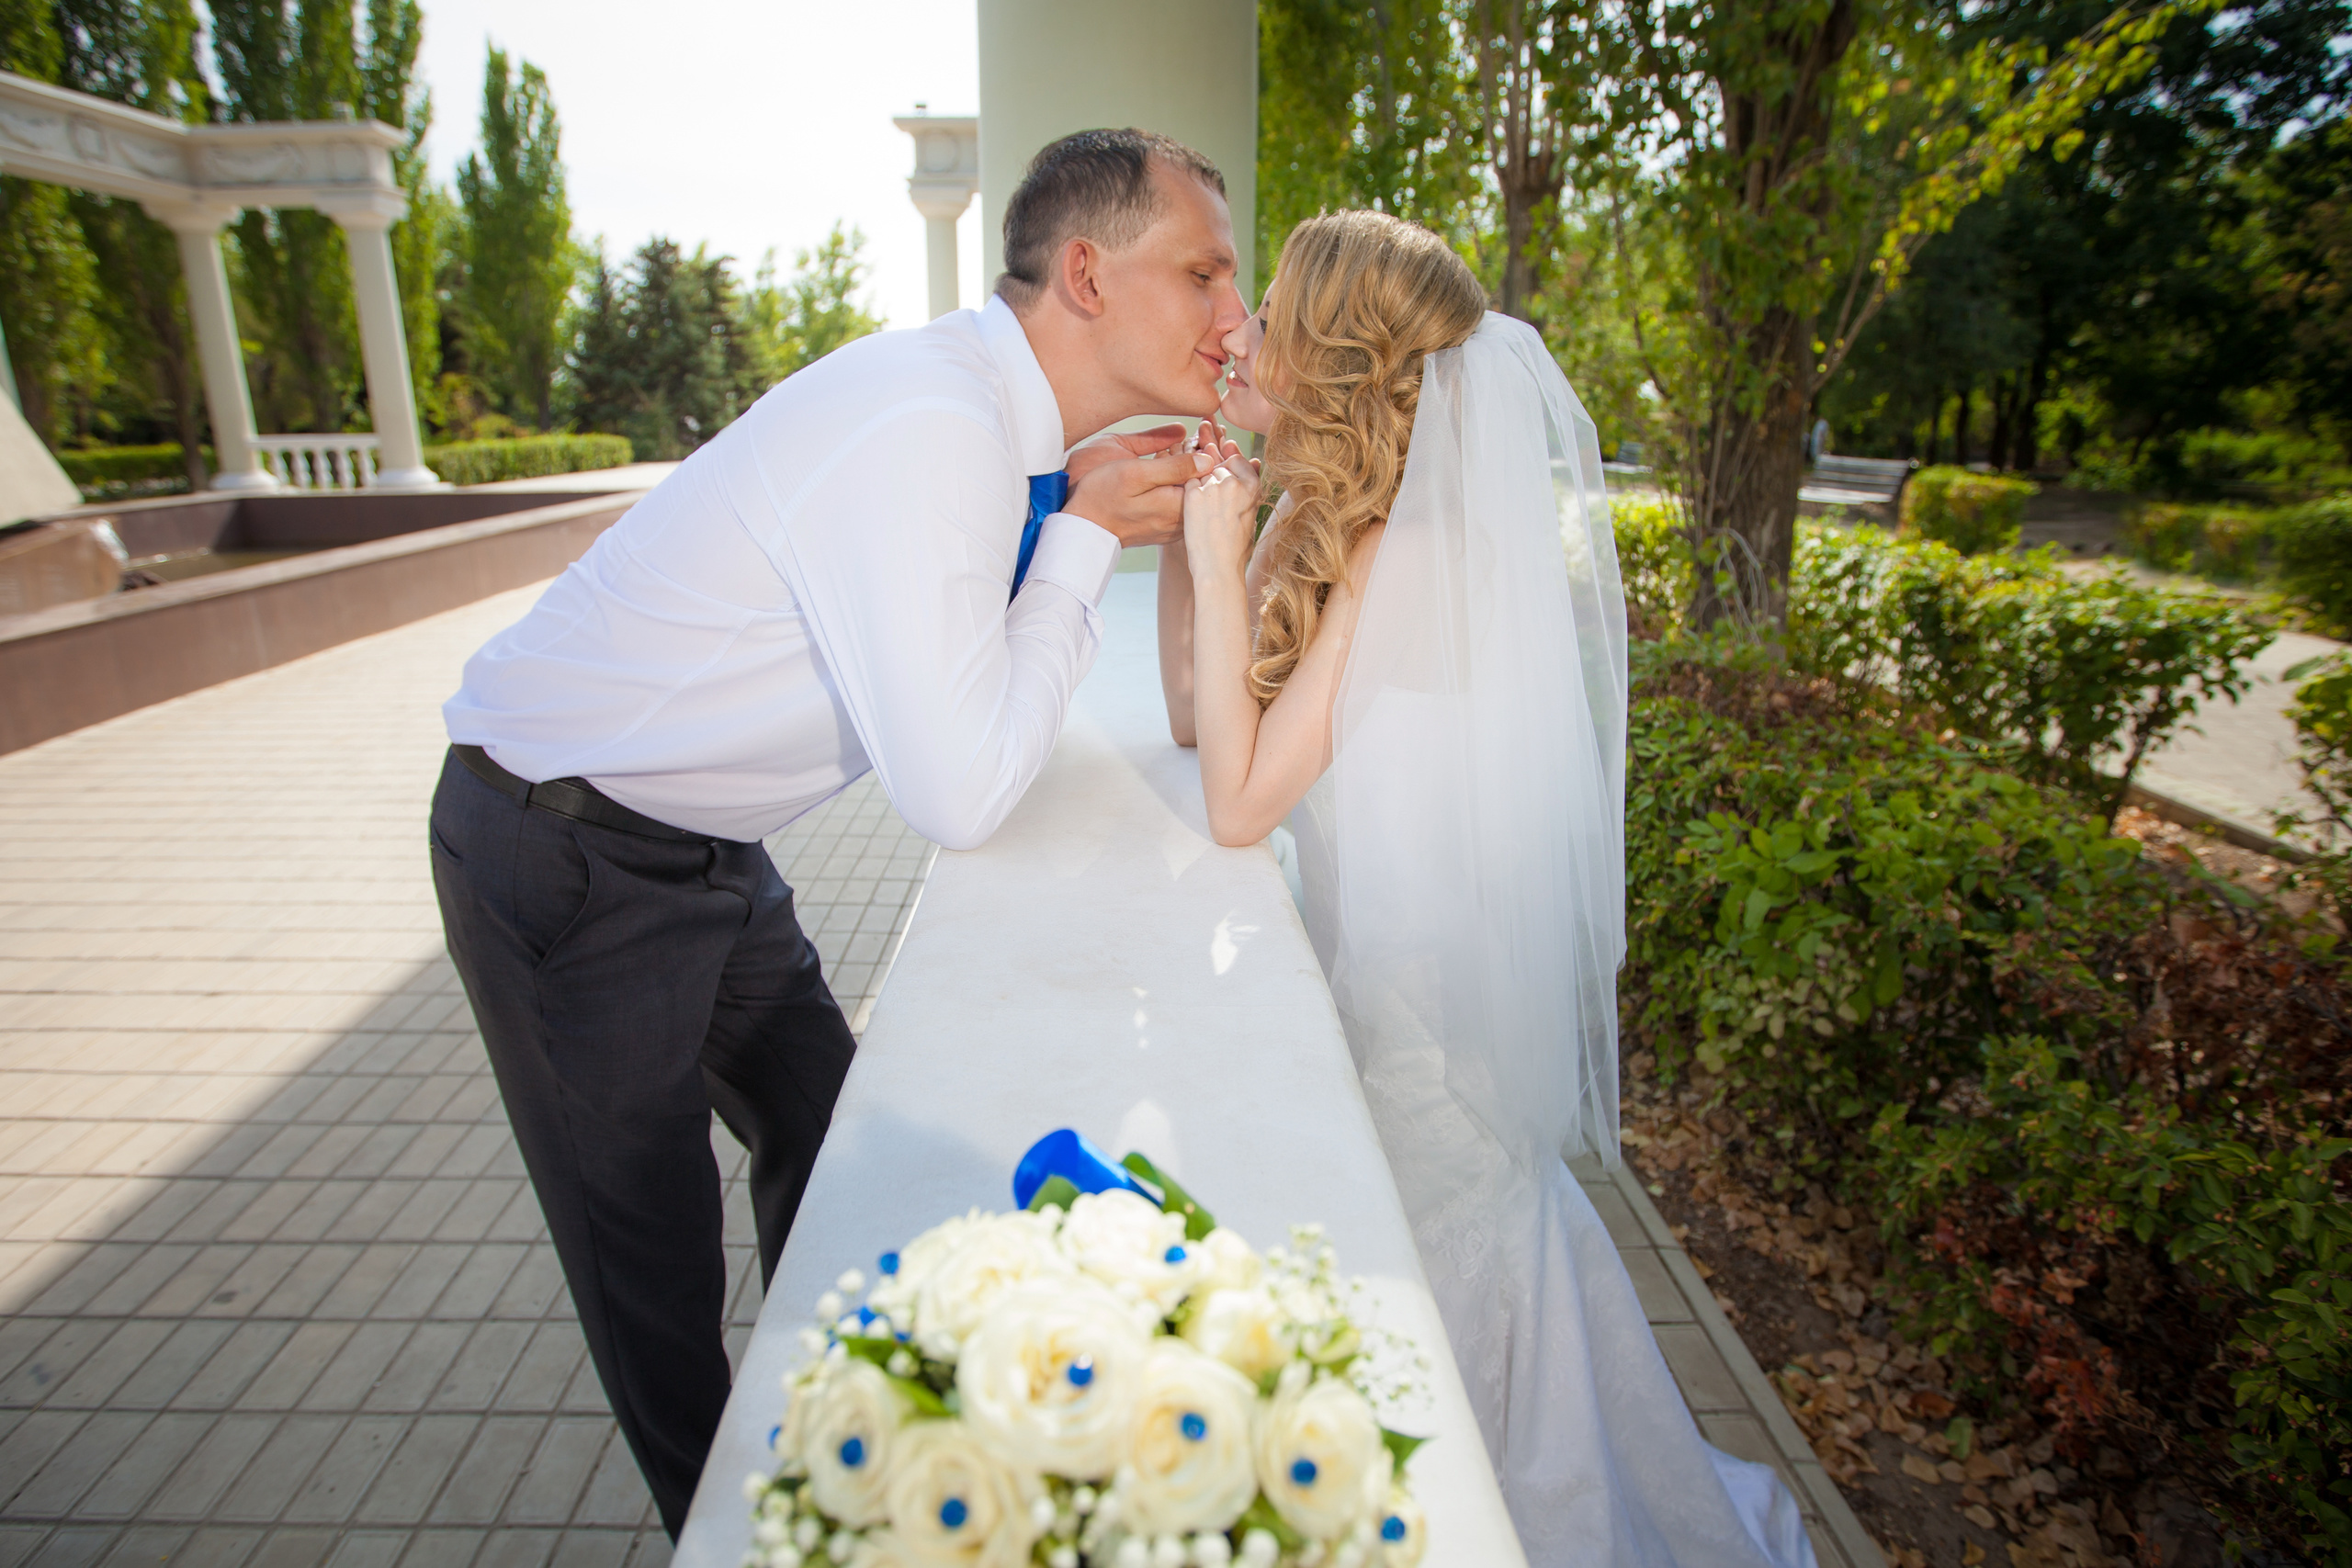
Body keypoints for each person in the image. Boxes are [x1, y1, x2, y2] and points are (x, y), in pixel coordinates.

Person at [429, 128, 1250, 1537]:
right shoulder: (935, 426)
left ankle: (864, 1442)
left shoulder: (993, 428)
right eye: (1207, 272)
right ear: (1090, 275)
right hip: (563, 848)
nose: (1235, 318)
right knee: (654, 1272)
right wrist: (1086, 538)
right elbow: (961, 788)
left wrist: (1083, 507)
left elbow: (958, 665)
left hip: (705, 855)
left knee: (832, 1137)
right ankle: (728, 1531)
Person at [1159, 210, 1816, 1568]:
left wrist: (1220, 558)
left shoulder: (1409, 552)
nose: (1246, 335)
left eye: (1270, 313)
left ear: (1336, 361)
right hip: (1380, 992)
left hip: (1422, 1035)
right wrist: (1205, 535)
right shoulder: (1335, 523)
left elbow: (1236, 804)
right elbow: (1193, 712)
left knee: (1434, 1313)